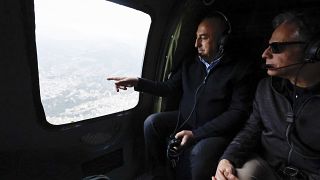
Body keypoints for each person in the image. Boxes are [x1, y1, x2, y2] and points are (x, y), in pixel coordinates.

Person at [108, 11, 257, 180]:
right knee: (151, 123)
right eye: (196, 37)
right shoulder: (190, 63)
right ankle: (160, 174)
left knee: (199, 153)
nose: (196, 44)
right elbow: (168, 88)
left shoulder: (241, 69)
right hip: (187, 118)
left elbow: (237, 113)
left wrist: (197, 134)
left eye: (204, 38)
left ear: (223, 41)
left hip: (215, 130)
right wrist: (137, 82)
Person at [214, 11, 320, 180]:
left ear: (312, 51)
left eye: (276, 48)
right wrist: (228, 159)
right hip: (269, 169)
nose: (265, 54)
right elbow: (252, 129)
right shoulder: (266, 89)